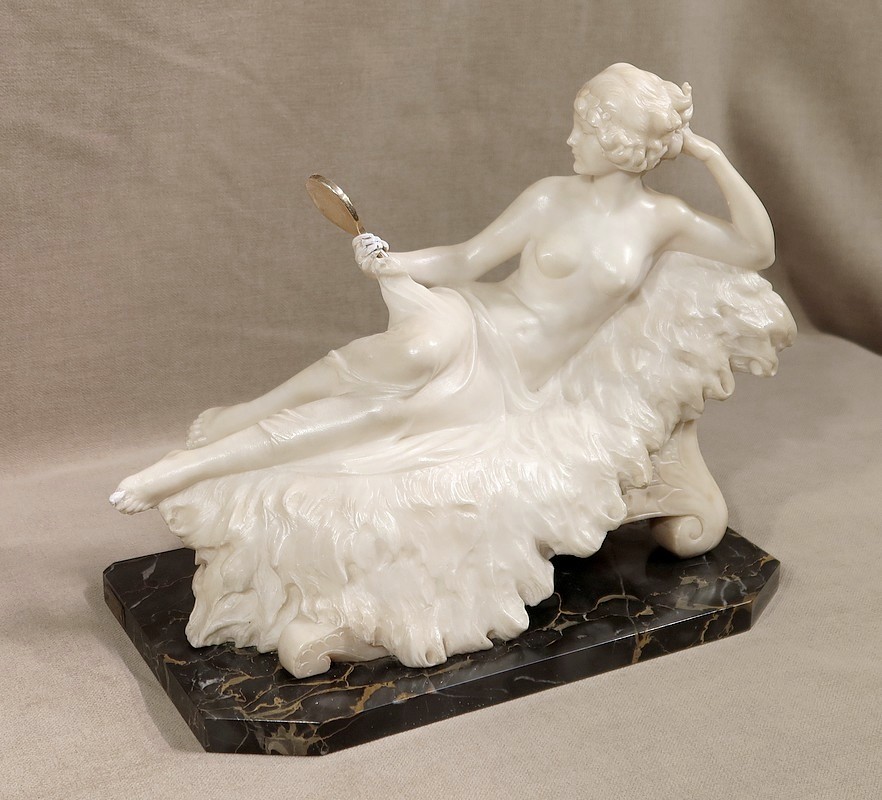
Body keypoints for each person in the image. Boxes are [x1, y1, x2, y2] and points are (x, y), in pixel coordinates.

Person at [110, 63, 774, 514]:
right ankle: (238, 421)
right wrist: (393, 261)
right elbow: (468, 258)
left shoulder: (663, 220)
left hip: (519, 375)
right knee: (409, 354)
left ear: (620, 142)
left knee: (390, 415)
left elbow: (756, 249)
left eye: (586, 127)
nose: (570, 137)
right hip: (477, 317)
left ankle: (191, 468)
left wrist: (711, 156)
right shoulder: (551, 195)